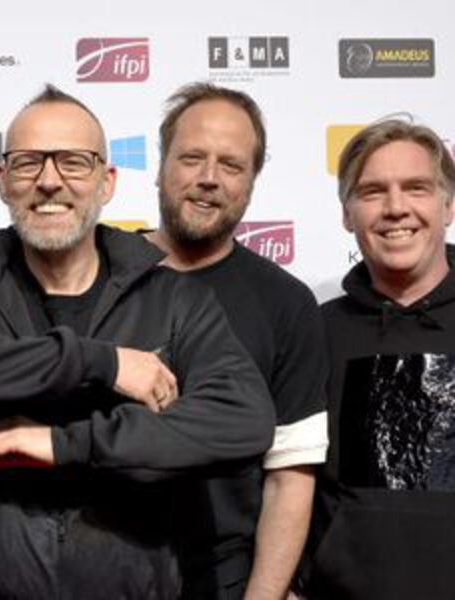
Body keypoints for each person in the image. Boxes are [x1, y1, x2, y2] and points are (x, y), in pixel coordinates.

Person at [0, 84, 274, 600]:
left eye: (74, 162)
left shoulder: (173, 299)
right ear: (3, 180)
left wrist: (65, 444)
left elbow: (242, 418)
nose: (50, 181)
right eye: (28, 162)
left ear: (107, 182)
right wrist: (98, 363)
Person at [144, 82, 328, 600]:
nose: (209, 178)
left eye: (231, 165)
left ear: (251, 182)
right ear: (160, 166)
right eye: (192, 158)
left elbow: (290, 476)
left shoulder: (286, 303)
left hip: (223, 580)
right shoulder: (95, 272)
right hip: (98, 573)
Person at [304, 118, 455, 600]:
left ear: (448, 205)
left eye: (416, 188)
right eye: (372, 192)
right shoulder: (314, 332)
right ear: (347, 215)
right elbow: (285, 480)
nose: (395, 208)